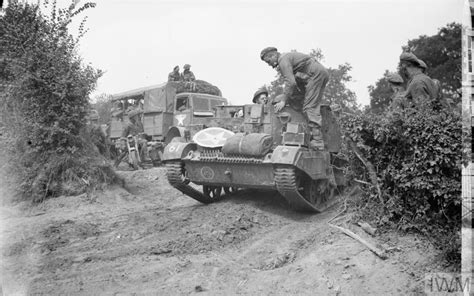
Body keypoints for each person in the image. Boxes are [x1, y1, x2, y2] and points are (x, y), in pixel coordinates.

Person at [260, 47, 329, 150]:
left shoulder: (283, 60)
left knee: (310, 107)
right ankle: (310, 133)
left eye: (268, 61)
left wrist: (283, 100)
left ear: (273, 55)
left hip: (314, 75)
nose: (269, 65)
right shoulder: (286, 58)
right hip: (315, 74)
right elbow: (295, 83)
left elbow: (291, 82)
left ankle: (318, 141)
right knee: (302, 103)